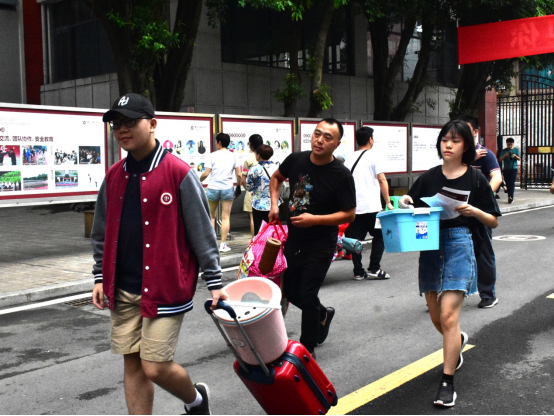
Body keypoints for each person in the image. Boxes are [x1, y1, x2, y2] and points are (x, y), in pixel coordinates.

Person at [91, 93, 227, 416]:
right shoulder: (113, 176)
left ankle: (195, 400)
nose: (122, 130)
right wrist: (99, 275)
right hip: (123, 287)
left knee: (153, 365)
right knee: (132, 363)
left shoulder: (178, 172)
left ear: (152, 124)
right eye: (116, 124)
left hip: (164, 287)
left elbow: (202, 232)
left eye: (130, 122)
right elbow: (101, 231)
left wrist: (215, 282)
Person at [400, 120, 501, 408]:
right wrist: (406, 200)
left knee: (447, 316)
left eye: (455, 141)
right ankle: (456, 342)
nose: (448, 144)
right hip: (429, 244)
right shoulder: (430, 177)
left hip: (460, 242)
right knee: (436, 317)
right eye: (445, 139)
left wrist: (473, 210)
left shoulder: (476, 179)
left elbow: (493, 219)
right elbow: (412, 199)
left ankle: (447, 384)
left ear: (466, 146)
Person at [268, 118, 356, 359]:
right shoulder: (296, 159)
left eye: (328, 137)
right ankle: (322, 315)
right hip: (294, 239)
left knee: (306, 293)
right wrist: (274, 204)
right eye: (317, 134)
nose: (320, 140)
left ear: (337, 144)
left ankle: (307, 349)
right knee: (292, 292)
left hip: (322, 242)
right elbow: (276, 178)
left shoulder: (341, 175)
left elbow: (349, 213)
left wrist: (314, 219)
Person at [457, 115, 501, 309]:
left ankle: (488, 294)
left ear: (475, 132)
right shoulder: (459, 154)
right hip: (457, 211)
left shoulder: (486, 154)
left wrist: (484, 197)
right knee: (455, 252)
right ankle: (452, 293)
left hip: (479, 212)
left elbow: (497, 177)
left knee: (483, 253)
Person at [344, 127, 395, 281]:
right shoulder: (374, 156)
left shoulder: (350, 158)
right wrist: (388, 202)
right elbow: (381, 179)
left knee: (355, 240)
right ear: (370, 139)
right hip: (372, 206)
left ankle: (358, 272)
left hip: (355, 207)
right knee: (380, 236)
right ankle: (374, 268)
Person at [201, 133, 241, 253]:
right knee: (225, 217)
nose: (215, 143)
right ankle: (223, 245)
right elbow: (239, 174)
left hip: (213, 187)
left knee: (211, 216)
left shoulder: (212, 156)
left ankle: (211, 244)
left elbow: (206, 173)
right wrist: (238, 186)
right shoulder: (234, 156)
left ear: (219, 142)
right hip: (227, 188)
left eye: (216, 141)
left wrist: (198, 181)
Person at [246, 144, 281, 234]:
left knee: (260, 231)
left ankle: (260, 248)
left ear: (258, 155)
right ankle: (274, 247)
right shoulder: (276, 168)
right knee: (274, 231)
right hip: (275, 204)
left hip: (258, 204)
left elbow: (249, 187)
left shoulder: (254, 169)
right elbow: (281, 185)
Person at [241, 134, 264, 237]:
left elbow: (243, 180)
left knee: (253, 219)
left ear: (250, 144)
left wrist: (249, 189)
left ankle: (255, 242)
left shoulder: (248, 160)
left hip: (253, 194)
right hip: (267, 194)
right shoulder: (267, 157)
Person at [498, 138, 521, 204]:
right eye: (508, 144)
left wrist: (515, 156)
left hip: (513, 168)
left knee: (511, 182)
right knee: (508, 183)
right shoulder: (504, 151)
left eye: (511, 144)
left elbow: (519, 159)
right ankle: (509, 195)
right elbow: (500, 160)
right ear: (506, 143)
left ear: (513, 143)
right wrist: (505, 155)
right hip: (506, 169)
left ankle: (511, 196)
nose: (509, 146)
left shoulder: (516, 150)